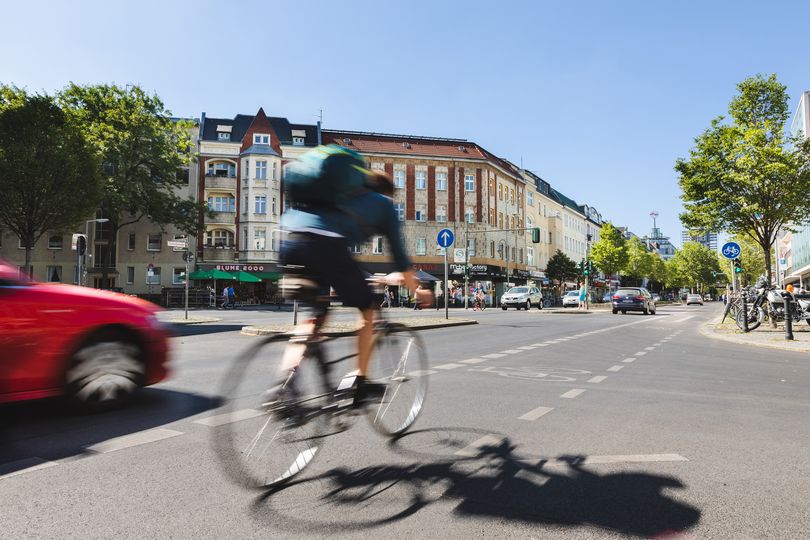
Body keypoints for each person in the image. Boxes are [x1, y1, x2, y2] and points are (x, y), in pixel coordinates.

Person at [271, 147, 431, 405]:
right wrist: (418, 291)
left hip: (289, 240)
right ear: (387, 192)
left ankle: (284, 384)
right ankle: (359, 380)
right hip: (326, 246)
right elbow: (401, 259)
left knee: (312, 319)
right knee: (369, 309)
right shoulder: (382, 204)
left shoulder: (335, 196)